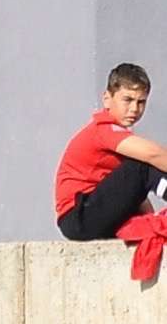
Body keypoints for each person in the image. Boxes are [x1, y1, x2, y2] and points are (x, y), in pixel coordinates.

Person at [55, 63, 167, 241]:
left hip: (88, 215)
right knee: (142, 165)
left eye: (141, 102)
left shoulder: (118, 140)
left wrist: (149, 221)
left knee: (140, 167)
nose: (134, 109)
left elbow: (133, 191)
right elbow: (153, 155)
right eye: (127, 100)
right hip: (79, 215)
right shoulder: (104, 130)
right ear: (107, 99)